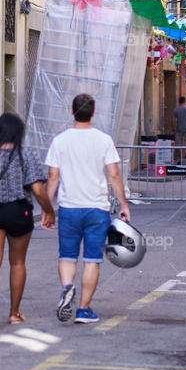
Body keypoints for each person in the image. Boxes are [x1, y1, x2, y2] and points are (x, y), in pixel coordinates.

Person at [45, 93, 130, 324]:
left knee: (67, 256)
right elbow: (113, 174)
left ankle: (66, 288)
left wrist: (46, 209)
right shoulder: (103, 140)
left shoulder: (60, 141)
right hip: (96, 210)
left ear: (72, 112)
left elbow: (53, 177)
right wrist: (123, 204)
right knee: (92, 259)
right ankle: (83, 310)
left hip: (69, 209)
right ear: (93, 113)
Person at [0, 112, 55, 332]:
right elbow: (37, 189)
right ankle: (14, 313)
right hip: (18, 211)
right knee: (17, 263)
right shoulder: (26, 154)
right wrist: (49, 211)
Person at [172, 95, 186, 164]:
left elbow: (172, 120)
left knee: (178, 144)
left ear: (179, 102)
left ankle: (179, 159)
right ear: (185, 102)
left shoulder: (176, 109)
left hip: (178, 129)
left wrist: (173, 129)